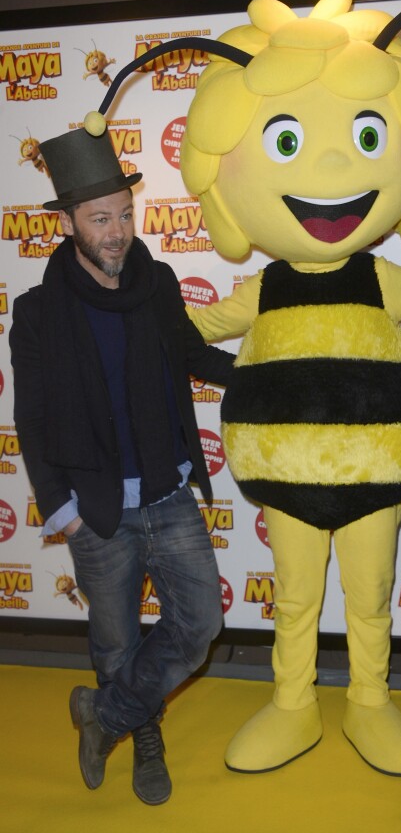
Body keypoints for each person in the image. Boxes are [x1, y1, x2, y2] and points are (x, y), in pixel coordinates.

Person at [9, 126, 235, 805]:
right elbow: (33, 418)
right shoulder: (39, 310)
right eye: (101, 219)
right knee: (115, 644)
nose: (117, 232)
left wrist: (276, 377)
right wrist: (63, 512)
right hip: (97, 510)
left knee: (199, 625)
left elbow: (196, 358)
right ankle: (144, 736)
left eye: (125, 215)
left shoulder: (158, 282)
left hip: (168, 496)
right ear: (70, 221)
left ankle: (105, 716)